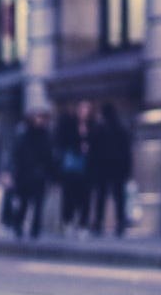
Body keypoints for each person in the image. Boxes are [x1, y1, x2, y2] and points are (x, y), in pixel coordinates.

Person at [9, 107, 55, 239]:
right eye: (37, 117)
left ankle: (35, 230)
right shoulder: (24, 136)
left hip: (39, 176)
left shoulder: (46, 136)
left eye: (42, 118)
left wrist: (50, 176)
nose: (39, 120)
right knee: (23, 203)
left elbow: (49, 158)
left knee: (38, 205)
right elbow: (16, 155)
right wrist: (13, 174)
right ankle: (18, 226)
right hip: (24, 176)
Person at [89, 102, 133, 237]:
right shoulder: (121, 129)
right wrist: (127, 169)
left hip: (103, 168)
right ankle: (120, 223)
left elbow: (94, 152)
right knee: (119, 197)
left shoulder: (100, 129)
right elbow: (127, 152)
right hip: (118, 168)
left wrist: (93, 169)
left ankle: (98, 223)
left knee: (102, 197)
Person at [55, 99, 95, 237]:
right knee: (69, 196)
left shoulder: (92, 126)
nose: (84, 112)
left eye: (87, 109)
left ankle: (83, 225)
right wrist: (78, 146)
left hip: (87, 166)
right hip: (71, 166)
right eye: (82, 109)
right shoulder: (69, 124)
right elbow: (62, 142)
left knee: (84, 198)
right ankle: (68, 222)